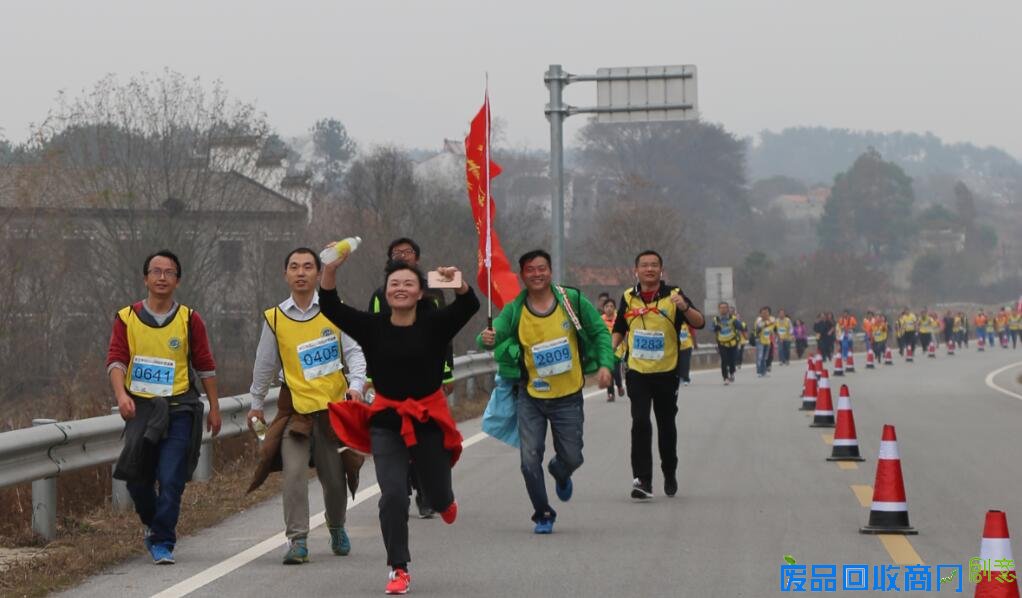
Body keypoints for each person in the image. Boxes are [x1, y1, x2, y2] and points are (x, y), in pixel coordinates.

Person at [319, 249, 479, 595]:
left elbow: (469, 306)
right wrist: (330, 269)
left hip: (427, 418)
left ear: (421, 292)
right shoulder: (372, 326)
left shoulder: (434, 322)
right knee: (392, 496)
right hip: (387, 421)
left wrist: (458, 282)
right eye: (395, 284)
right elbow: (330, 306)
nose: (401, 289)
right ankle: (398, 567)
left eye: (409, 283)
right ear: (386, 291)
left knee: (437, 497)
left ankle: (442, 499)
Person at [479, 249, 613, 533]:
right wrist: (486, 338)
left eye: (542, 268)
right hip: (531, 397)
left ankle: (560, 471)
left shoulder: (571, 300)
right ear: (522, 275)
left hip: (568, 396)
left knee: (573, 456)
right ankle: (543, 513)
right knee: (529, 460)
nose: (537, 274)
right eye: (530, 269)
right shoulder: (516, 309)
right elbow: (493, 335)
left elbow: (601, 332)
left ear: (550, 272)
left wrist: (606, 365)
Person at [247, 247, 367, 564]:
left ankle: (337, 526)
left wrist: (356, 386)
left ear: (318, 273)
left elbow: (355, 353)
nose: (301, 273)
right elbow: (264, 364)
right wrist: (256, 403)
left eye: (308, 267)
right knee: (293, 475)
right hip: (295, 414)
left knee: (335, 477)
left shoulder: (334, 310)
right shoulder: (274, 318)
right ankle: (297, 540)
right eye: (294, 267)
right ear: (285, 274)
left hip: (333, 413)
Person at [108, 250, 220, 565]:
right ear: (145, 278)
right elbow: (116, 360)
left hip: (180, 407)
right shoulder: (126, 317)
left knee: (171, 477)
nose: (161, 277)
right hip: (141, 410)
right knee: (136, 478)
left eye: (168, 272)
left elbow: (206, 365)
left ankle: (162, 541)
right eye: (155, 271)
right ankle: (155, 522)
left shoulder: (189, 319)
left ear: (177, 280)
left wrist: (214, 407)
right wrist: (121, 395)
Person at [368, 237, 454, 519]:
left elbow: (444, 339)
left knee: (422, 441)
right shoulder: (381, 296)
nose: (402, 256)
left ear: (417, 258)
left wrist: (446, 372)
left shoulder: (433, 294)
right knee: (395, 441)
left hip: (425, 386)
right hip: (391, 387)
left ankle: (426, 493)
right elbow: (372, 341)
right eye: (396, 253)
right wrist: (370, 377)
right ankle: (399, 489)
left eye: (408, 252)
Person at [611, 250, 704, 500]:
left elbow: (699, 322)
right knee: (640, 422)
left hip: (666, 371)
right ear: (636, 270)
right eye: (644, 265)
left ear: (661, 271)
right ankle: (642, 479)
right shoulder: (629, 297)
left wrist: (684, 307)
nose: (649, 269)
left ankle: (669, 471)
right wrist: (608, 354)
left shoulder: (674, 294)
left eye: (654, 265)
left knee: (666, 425)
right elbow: (620, 327)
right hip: (637, 371)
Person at [601, 298, 625, 401]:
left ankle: (619, 386)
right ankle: (610, 394)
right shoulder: (600, 320)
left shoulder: (618, 319)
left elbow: (624, 333)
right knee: (609, 373)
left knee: (616, 372)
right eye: (607, 306)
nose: (609, 308)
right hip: (606, 351)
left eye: (611, 306)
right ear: (604, 308)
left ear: (614, 308)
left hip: (617, 351)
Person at [713, 302, 740, 385]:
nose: (723, 309)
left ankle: (732, 372)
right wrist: (715, 328)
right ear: (719, 309)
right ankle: (725, 378)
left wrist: (738, 324)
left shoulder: (733, 318)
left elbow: (740, 326)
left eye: (725, 307)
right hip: (721, 343)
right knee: (724, 360)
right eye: (721, 308)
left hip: (732, 343)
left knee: (732, 361)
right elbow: (711, 328)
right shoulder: (716, 319)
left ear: (728, 309)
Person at [753, 307, 776, 377]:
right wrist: (766, 323)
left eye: (766, 312)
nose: (765, 314)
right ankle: (759, 371)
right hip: (759, 340)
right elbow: (758, 328)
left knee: (765, 357)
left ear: (769, 313)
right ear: (760, 314)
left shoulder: (772, 319)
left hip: (767, 340)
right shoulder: (758, 320)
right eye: (763, 313)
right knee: (760, 356)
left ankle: (764, 372)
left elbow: (773, 328)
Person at [677, 320, 697, 385]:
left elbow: (693, 333)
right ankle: (680, 377)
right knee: (679, 363)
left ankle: (686, 378)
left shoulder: (689, 324)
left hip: (687, 346)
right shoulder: (675, 323)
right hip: (677, 347)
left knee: (685, 362)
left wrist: (695, 344)